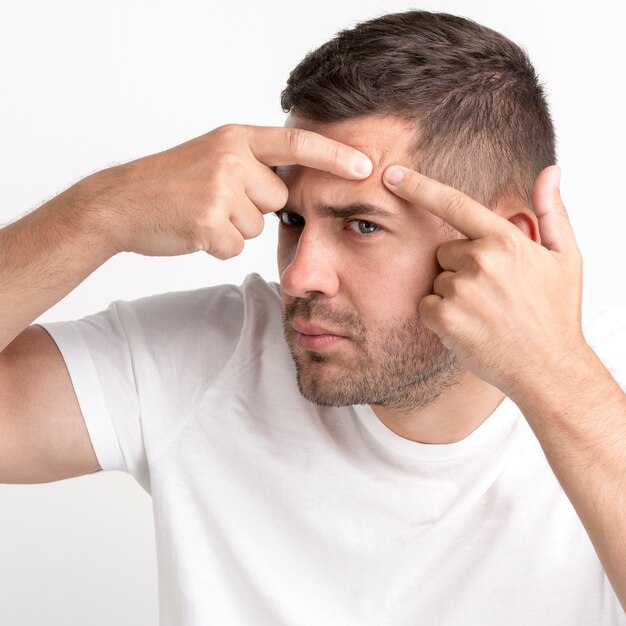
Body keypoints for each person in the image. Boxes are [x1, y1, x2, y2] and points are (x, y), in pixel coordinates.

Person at [1, 8, 625, 625]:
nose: (299, 275)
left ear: (502, 244)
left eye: (362, 225)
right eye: (293, 221)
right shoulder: (209, 359)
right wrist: (101, 212)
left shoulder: (605, 384)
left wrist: (556, 374)